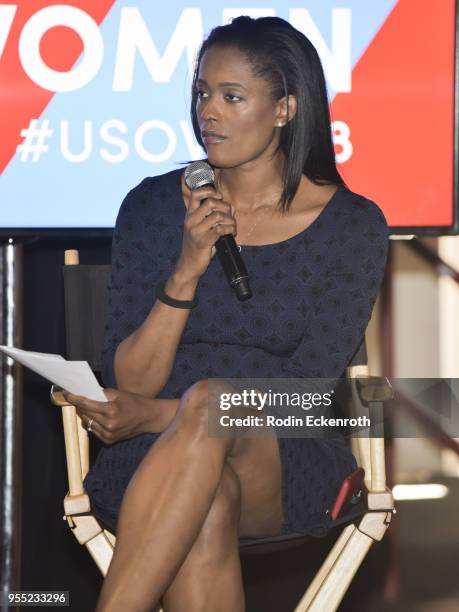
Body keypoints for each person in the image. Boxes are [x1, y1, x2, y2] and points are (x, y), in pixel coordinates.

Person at [64, 16, 389, 612]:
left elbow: (307, 397)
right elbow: (129, 380)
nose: (207, 112)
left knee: (213, 402)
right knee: (205, 499)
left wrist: (172, 412)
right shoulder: (152, 206)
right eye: (201, 93)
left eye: (231, 96)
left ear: (285, 108)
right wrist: (187, 266)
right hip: (155, 460)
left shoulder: (352, 226)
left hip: (285, 456)